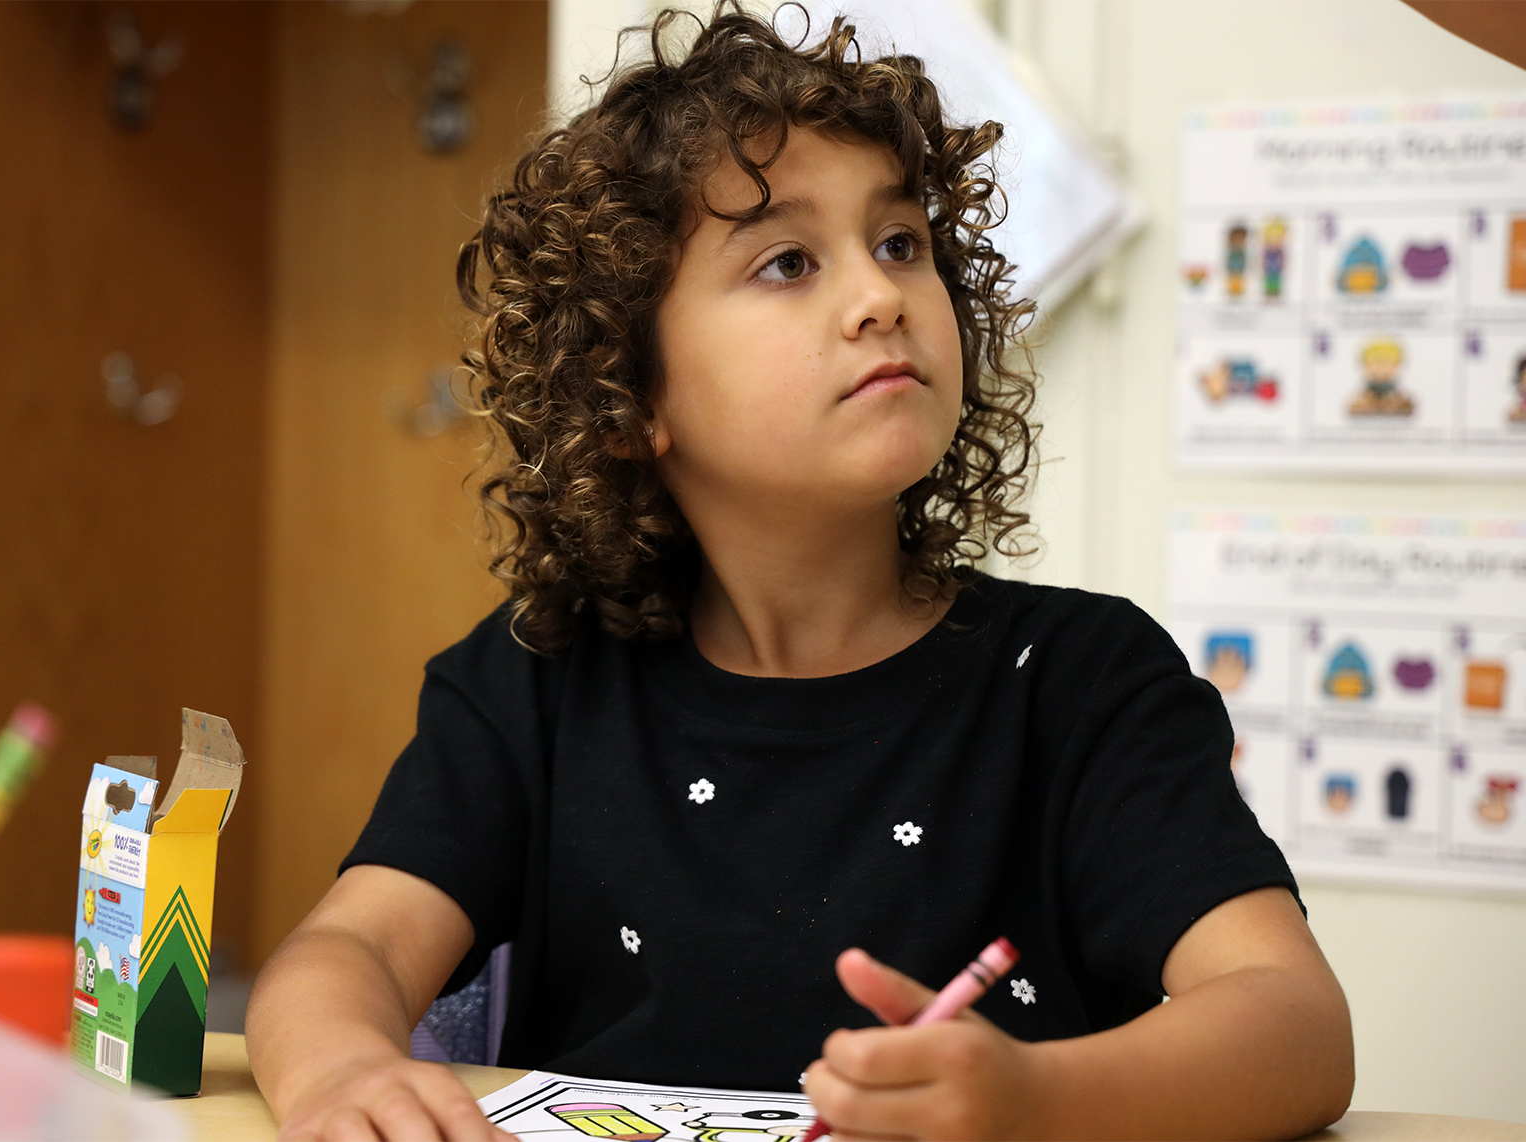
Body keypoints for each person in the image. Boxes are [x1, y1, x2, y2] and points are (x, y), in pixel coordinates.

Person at [245, 6, 1355, 1139]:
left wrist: (1035, 1096)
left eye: (900, 243)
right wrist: (336, 1072)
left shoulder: (1078, 680)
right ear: (632, 400)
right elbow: (347, 950)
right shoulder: (535, 680)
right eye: (786, 261)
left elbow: (1295, 1025)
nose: (880, 295)